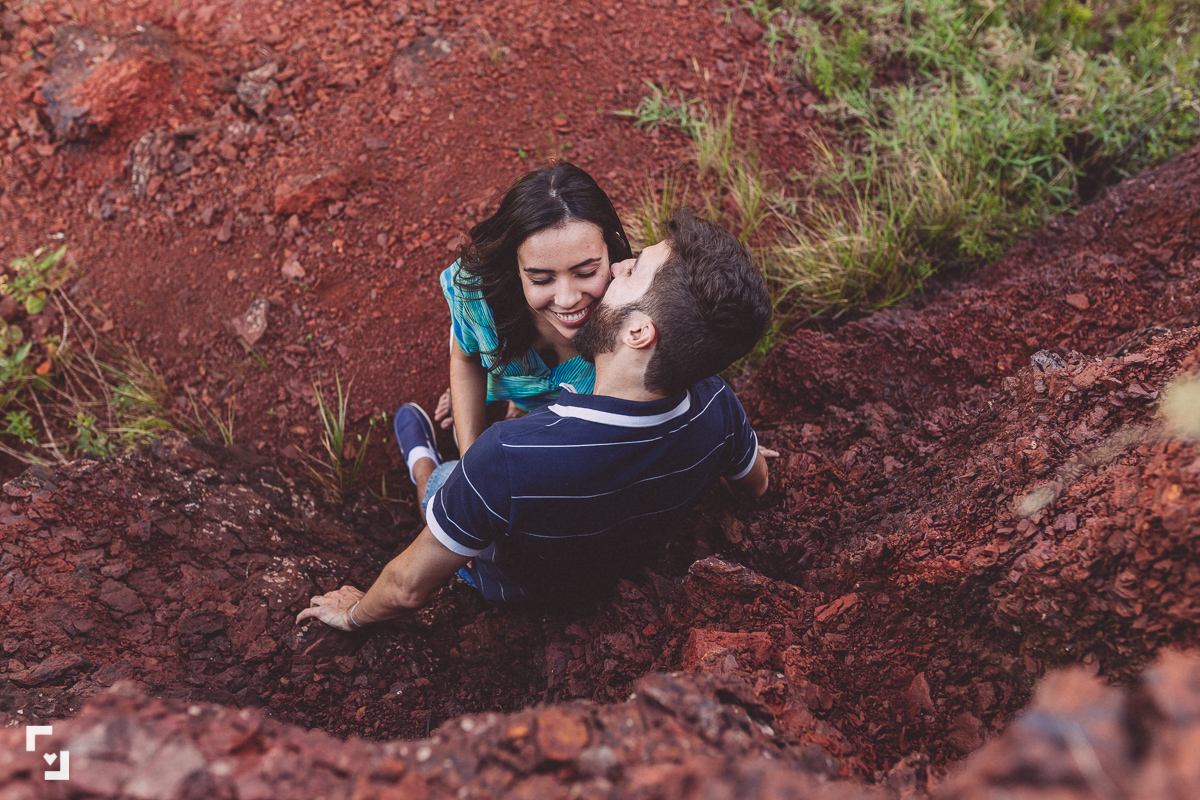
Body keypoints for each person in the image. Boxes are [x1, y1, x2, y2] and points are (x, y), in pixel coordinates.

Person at [298, 209, 771, 629]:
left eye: (633, 270)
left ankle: (419, 459)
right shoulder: (719, 406)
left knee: (449, 481)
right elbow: (757, 483)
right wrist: (730, 454)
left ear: (639, 330)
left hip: (513, 588)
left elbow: (406, 590)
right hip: (625, 572)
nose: (619, 266)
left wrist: (354, 612)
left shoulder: (507, 454)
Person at [430, 162, 632, 464]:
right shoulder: (478, 294)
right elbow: (466, 358)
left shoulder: (638, 314)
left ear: (611, 252)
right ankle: (509, 396)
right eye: (541, 279)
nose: (566, 300)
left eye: (587, 272)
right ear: (514, 268)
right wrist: (470, 459)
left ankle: (521, 405)